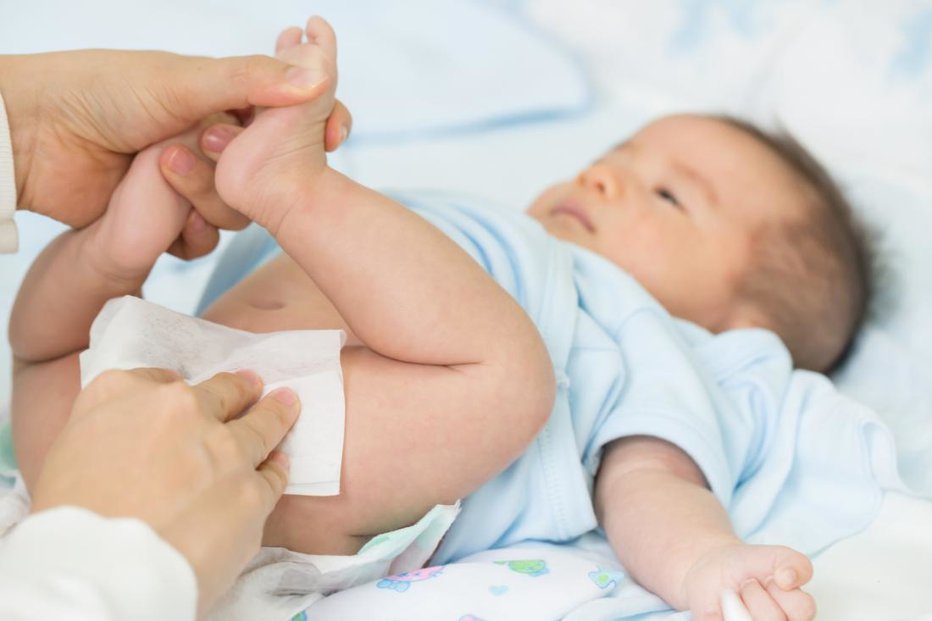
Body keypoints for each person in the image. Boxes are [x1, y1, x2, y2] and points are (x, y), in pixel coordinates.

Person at [10, 17, 877, 620]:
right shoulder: (479, 235)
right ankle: (112, 252)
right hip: (103, 438)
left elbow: (652, 480)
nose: (605, 178)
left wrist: (703, 563)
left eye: (668, 194)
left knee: (513, 380)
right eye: (613, 157)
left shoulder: (651, 339)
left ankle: (281, 194)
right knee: (44, 348)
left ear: (739, 323)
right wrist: (120, 265)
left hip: (294, 471)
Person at [0, 42, 353, 618]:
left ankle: (110, 254)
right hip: (140, 506)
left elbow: (44, 356)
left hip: (87, 482)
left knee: (49, 361)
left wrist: (108, 253)